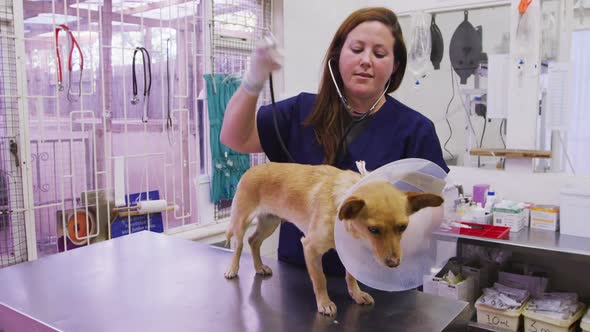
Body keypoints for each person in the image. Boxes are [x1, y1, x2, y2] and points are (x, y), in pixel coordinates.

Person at [220, 7, 449, 277]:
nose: (366, 60)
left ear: (394, 66)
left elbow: (434, 210)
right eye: (356, 49)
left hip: (383, 281)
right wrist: (253, 80)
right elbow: (234, 137)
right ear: (337, 56)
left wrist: (393, 228)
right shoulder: (300, 112)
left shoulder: (415, 129)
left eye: (379, 54)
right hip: (300, 280)